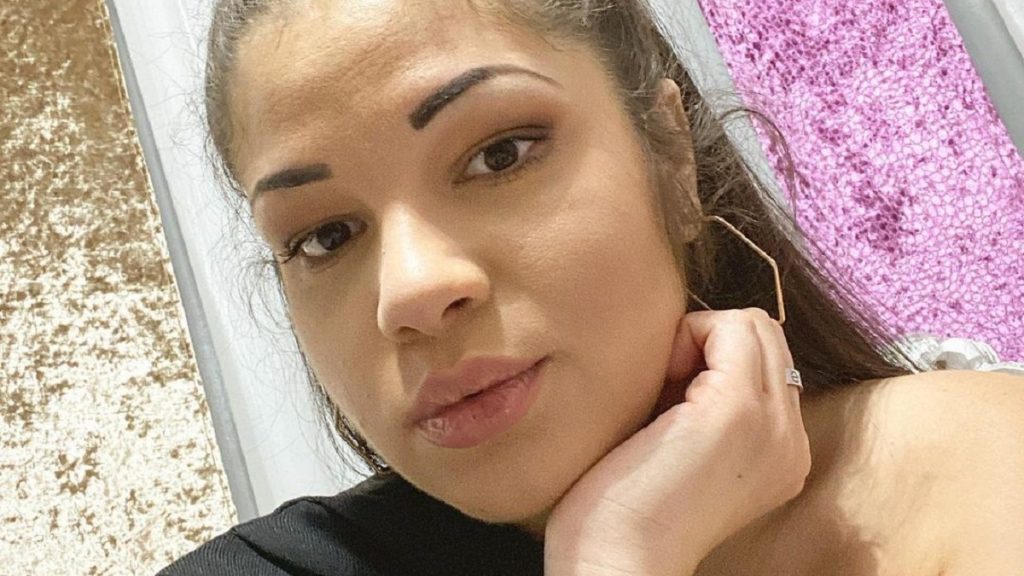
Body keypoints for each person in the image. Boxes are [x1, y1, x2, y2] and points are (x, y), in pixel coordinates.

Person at [160, 0, 1024, 574]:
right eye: (325, 236)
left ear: (672, 156)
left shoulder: (973, 475)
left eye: (499, 154)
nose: (412, 290)